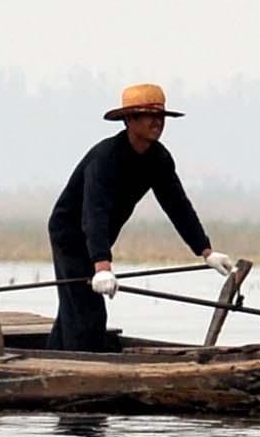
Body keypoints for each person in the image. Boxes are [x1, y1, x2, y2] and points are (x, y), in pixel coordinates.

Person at [44, 84, 227, 350]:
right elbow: (93, 214)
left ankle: (51, 355)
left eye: (161, 117)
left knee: (74, 306)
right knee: (86, 313)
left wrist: (205, 250)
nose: (157, 122)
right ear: (130, 120)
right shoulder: (105, 158)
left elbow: (178, 206)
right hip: (70, 234)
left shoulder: (159, 158)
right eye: (148, 116)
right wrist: (102, 267)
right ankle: (73, 370)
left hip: (101, 235)